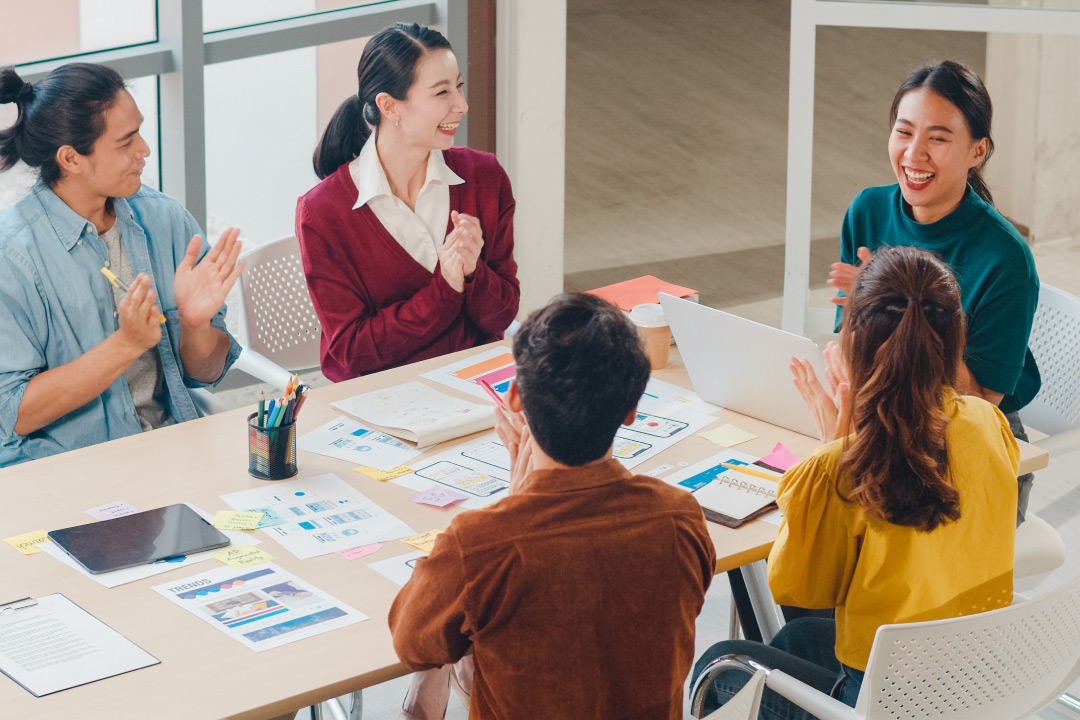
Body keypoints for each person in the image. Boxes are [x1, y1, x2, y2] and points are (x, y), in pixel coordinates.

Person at [693, 247, 1020, 719]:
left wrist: (838, 449)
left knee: (719, 667)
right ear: (952, 341)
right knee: (798, 641)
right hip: (972, 681)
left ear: (854, 343)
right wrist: (845, 445)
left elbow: (801, 590)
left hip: (882, 703)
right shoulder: (989, 423)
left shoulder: (843, 466)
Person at [387, 293, 716, 720]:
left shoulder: (479, 544)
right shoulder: (680, 517)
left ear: (514, 398)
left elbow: (412, 645)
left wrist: (516, 505)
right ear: (632, 409)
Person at [0, 63, 243, 466]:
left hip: (169, 452)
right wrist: (126, 345)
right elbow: (13, 413)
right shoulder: (12, 255)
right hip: (69, 472)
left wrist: (196, 325)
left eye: (140, 132)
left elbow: (205, 372)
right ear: (71, 159)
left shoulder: (165, 219)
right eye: (126, 141)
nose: (145, 149)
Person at [828, 60, 1039, 522]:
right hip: (879, 413)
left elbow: (977, 404)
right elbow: (851, 349)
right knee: (800, 508)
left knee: (839, 530)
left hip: (973, 443)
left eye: (938, 139)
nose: (914, 155)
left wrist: (902, 307)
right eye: (904, 132)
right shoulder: (866, 210)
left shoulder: (1006, 259)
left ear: (977, 150)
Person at [296, 23, 519, 380]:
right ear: (389, 106)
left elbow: (501, 316)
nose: (461, 105)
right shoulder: (323, 212)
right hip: (381, 404)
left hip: (478, 390)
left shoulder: (484, 177)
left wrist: (475, 272)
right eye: (441, 92)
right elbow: (353, 353)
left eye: (458, 86)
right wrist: (446, 289)